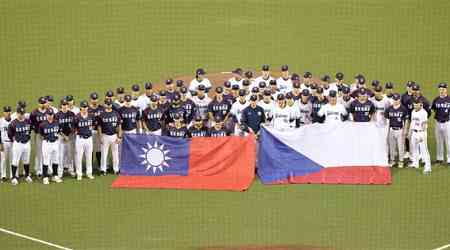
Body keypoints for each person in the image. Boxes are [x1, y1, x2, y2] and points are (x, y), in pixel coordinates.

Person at [7, 107, 33, 185]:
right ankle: (14, 177)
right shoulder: (13, 123)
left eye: (23, 114)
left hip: (27, 143)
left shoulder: (28, 121)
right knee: (15, 160)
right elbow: (10, 134)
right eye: (20, 113)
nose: (21, 115)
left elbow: (30, 130)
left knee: (26, 160)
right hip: (18, 144)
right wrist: (14, 139)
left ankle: (27, 175)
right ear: (17, 113)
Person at [98, 99, 122, 175]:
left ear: (111, 104)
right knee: (104, 154)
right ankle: (103, 169)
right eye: (107, 104)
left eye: (110, 104)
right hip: (105, 136)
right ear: (104, 105)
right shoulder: (101, 115)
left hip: (114, 136)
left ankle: (116, 169)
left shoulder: (116, 114)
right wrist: (100, 136)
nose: (108, 105)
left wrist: (119, 136)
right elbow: (99, 127)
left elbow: (119, 126)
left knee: (115, 154)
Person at [384, 93, 409, 168]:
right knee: (392, 146)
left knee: (400, 146)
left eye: (397, 100)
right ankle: (392, 160)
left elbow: (406, 120)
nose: (395, 101)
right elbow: (387, 120)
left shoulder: (403, 109)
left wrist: (405, 130)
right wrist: (387, 131)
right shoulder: (389, 108)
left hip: (400, 130)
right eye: (394, 100)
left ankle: (401, 161)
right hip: (391, 129)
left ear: (399, 100)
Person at [39, 109, 63, 184]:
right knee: (46, 160)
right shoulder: (42, 124)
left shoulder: (56, 123)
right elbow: (40, 135)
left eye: (51, 114)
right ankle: (45, 177)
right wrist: (47, 138)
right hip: (47, 143)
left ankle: (55, 175)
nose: (50, 116)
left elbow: (59, 131)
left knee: (55, 159)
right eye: (49, 115)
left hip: (55, 143)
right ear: (46, 115)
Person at [74, 101, 95, 180]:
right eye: (83, 107)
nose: (84, 109)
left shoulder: (91, 116)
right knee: (79, 157)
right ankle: (79, 173)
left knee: (89, 157)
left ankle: (89, 173)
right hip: (80, 139)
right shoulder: (77, 117)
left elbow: (93, 125)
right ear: (81, 108)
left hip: (89, 138)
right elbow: (73, 127)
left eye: (86, 107)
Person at [409, 98, 431, 174]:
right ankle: (415, 163)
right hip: (414, 132)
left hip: (421, 132)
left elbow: (424, 125)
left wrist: (421, 136)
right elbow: (412, 122)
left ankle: (428, 167)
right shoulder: (413, 112)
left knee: (424, 150)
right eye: (414, 104)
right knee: (414, 148)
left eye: (416, 104)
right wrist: (410, 132)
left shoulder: (423, 113)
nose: (415, 106)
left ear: (420, 104)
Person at [56, 99, 76, 178]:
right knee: (60, 155)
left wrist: (70, 135)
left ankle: (71, 169)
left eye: (66, 105)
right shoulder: (57, 115)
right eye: (63, 105)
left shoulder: (72, 114)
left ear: (68, 105)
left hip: (70, 137)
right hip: (61, 137)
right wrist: (64, 136)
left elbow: (74, 126)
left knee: (70, 154)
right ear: (61, 106)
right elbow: (56, 128)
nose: (65, 106)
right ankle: (60, 171)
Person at [431, 82, 450, 165]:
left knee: (448, 141)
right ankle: (439, 158)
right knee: (439, 141)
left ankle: (449, 159)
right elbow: (433, 109)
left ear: (446, 89)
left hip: (447, 123)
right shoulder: (436, 99)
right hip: (438, 123)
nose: (442, 91)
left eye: (443, 89)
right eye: (440, 89)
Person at [30, 96, 49, 177]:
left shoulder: (49, 111)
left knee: (47, 152)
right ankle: (38, 170)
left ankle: (48, 169)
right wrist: (37, 132)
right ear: (38, 103)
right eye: (41, 103)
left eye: (44, 103)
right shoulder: (34, 113)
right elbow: (32, 124)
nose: (42, 104)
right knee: (39, 153)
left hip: (48, 136)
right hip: (39, 136)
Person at [88, 92, 105, 168]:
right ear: (90, 100)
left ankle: (99, 165)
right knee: (90, 149)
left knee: (99, 149)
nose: (94, 100)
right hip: (90, 132)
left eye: (95, 99)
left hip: (99, 132)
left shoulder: (102, 108)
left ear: (98, 99)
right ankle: (90, 166)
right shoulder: (87, 109)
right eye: (93, 99)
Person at [0, 106, 13, 180]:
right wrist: (0, 144)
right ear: (3, 113)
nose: (8, 113)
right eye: (6, 111)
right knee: (3, 160)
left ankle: (12, 175)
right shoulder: (0, 121)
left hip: (12, 143)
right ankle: (3, 175)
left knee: (12, 159)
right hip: (4, 143)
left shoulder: (13, 121)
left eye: (9, 111)